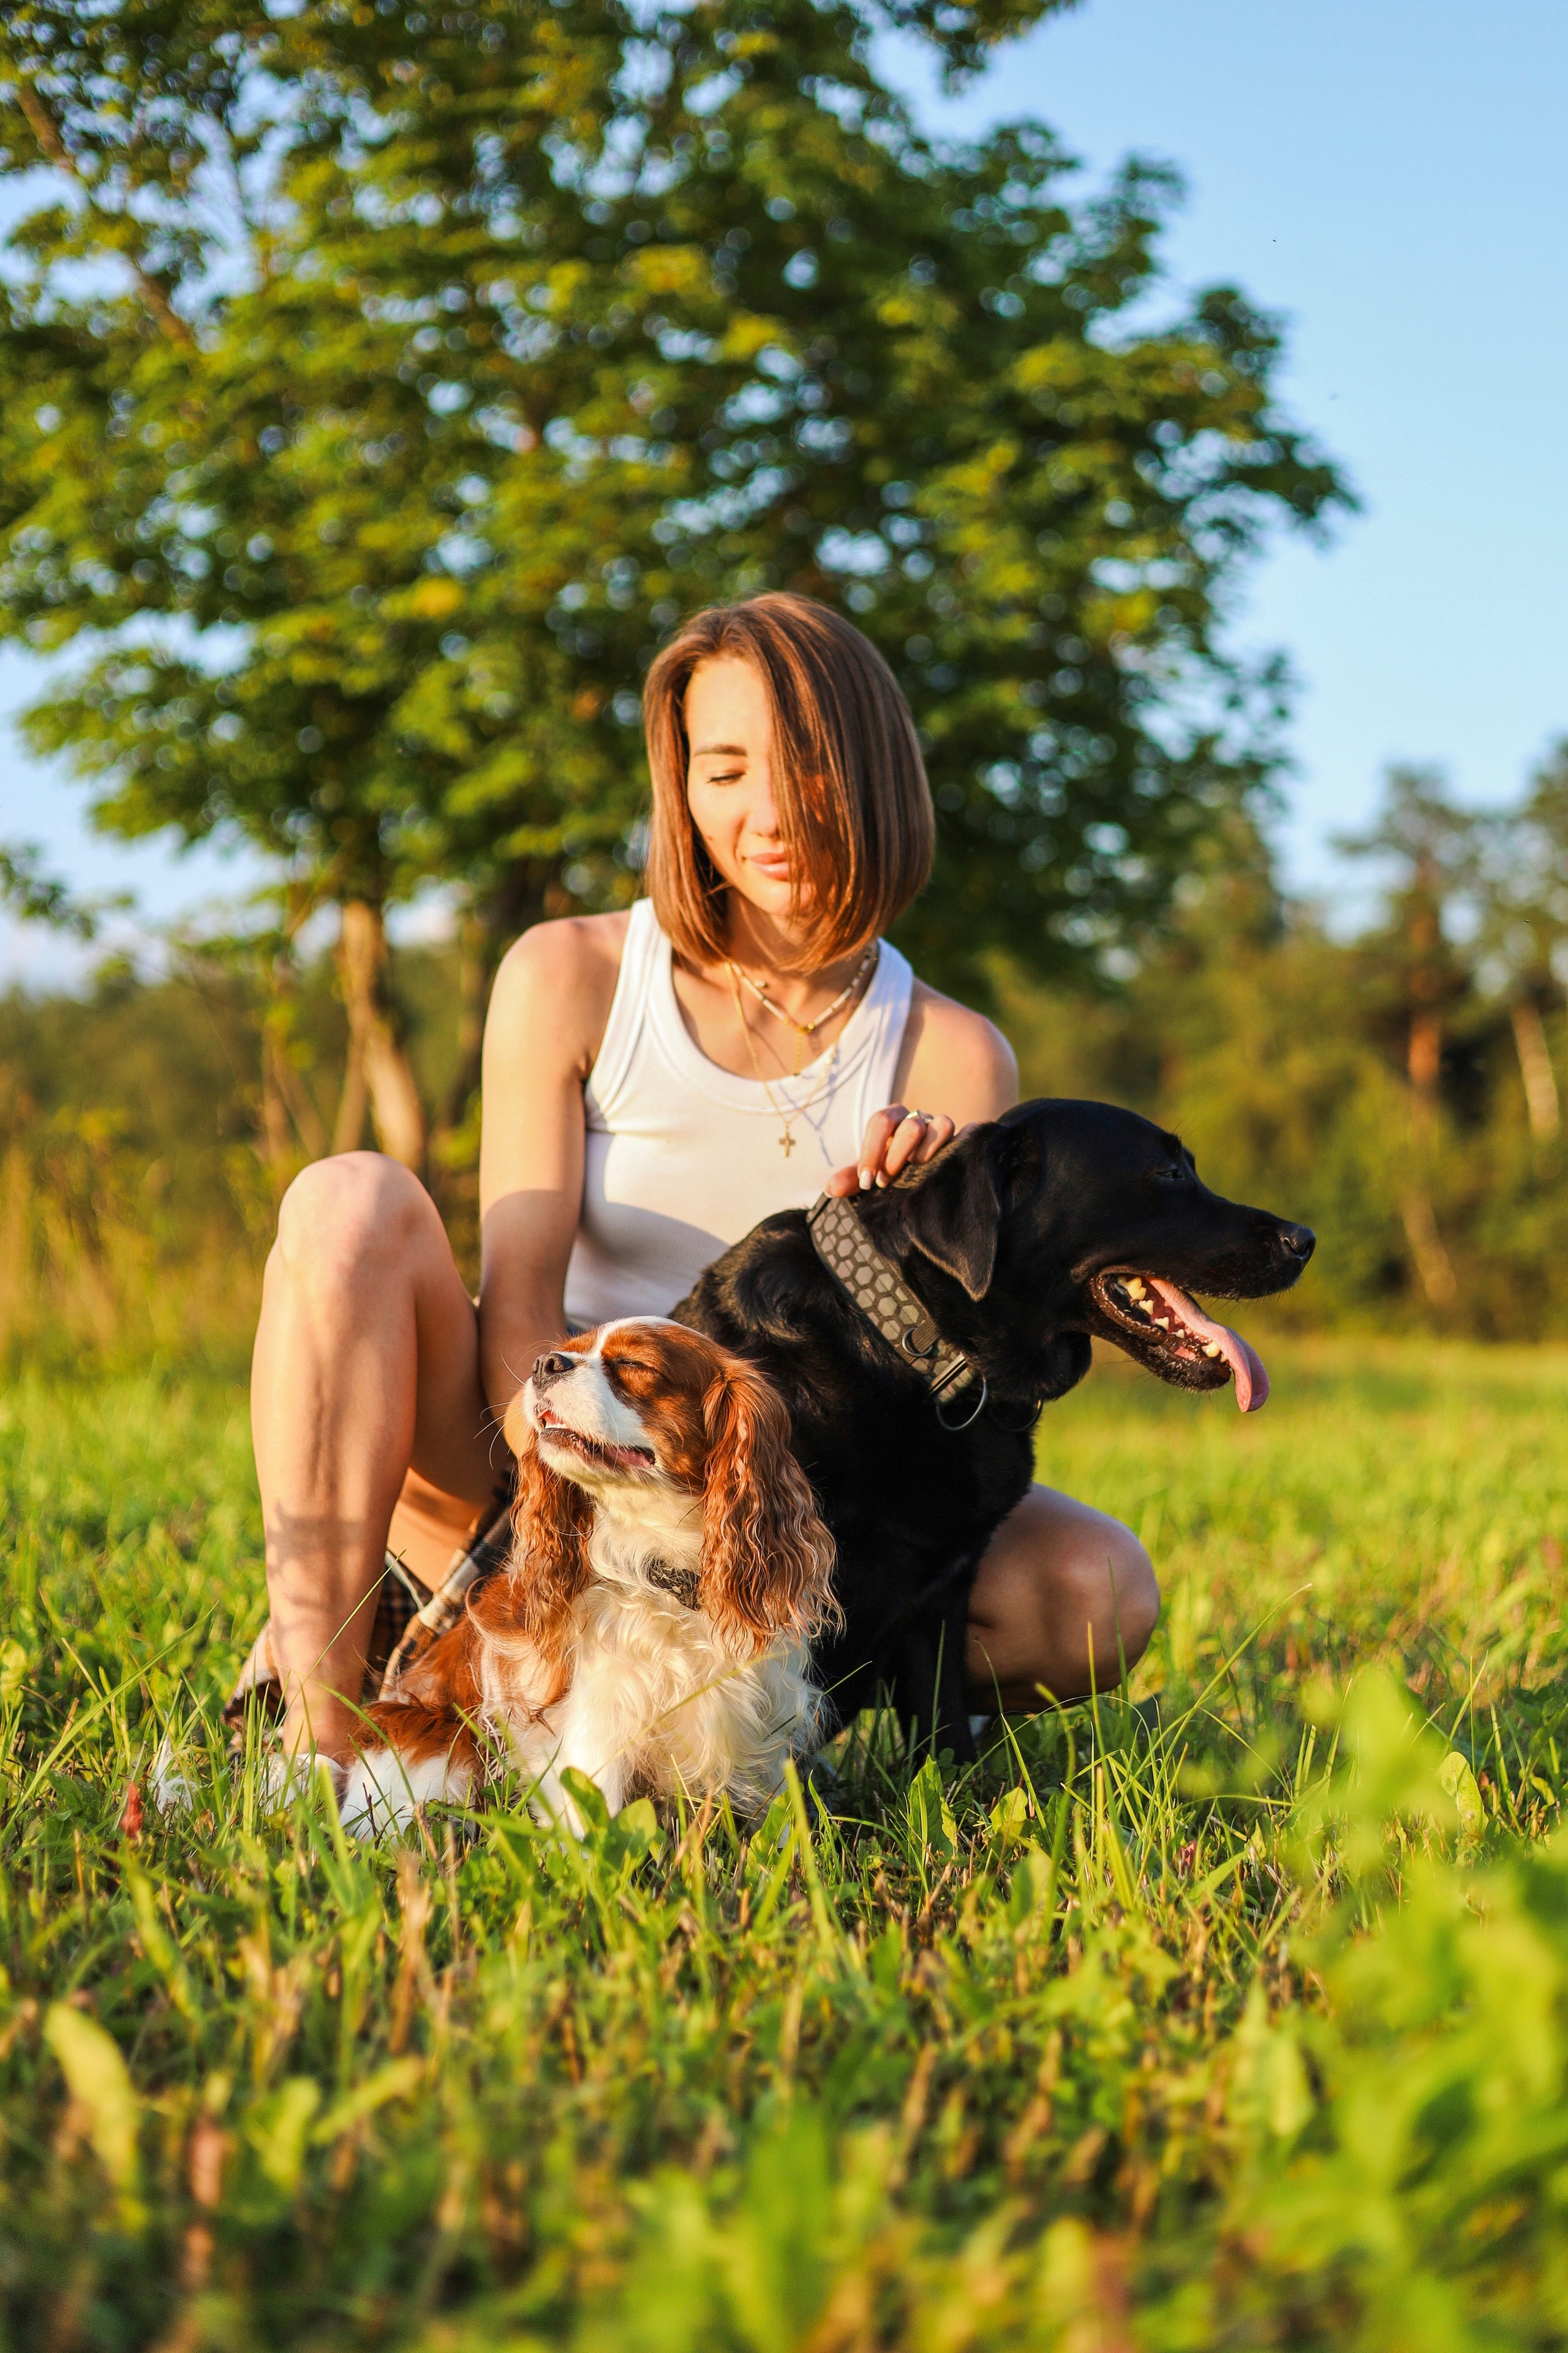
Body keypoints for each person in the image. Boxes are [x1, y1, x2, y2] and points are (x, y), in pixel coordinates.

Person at [248, 593, 1158, 1766]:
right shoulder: (571, 973)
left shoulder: (954, 1053)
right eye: (722, 770)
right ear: (680, 786)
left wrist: (898, 1241)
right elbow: (519, 1308)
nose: (764, 814)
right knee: (346, 1199)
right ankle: (321, 1725)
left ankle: (750, 1713)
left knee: (1096, 1585)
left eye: (802, 769)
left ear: (873, 772)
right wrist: (591, 1476)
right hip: (541, 1470)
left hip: (777, 1513)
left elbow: (956, 1413)